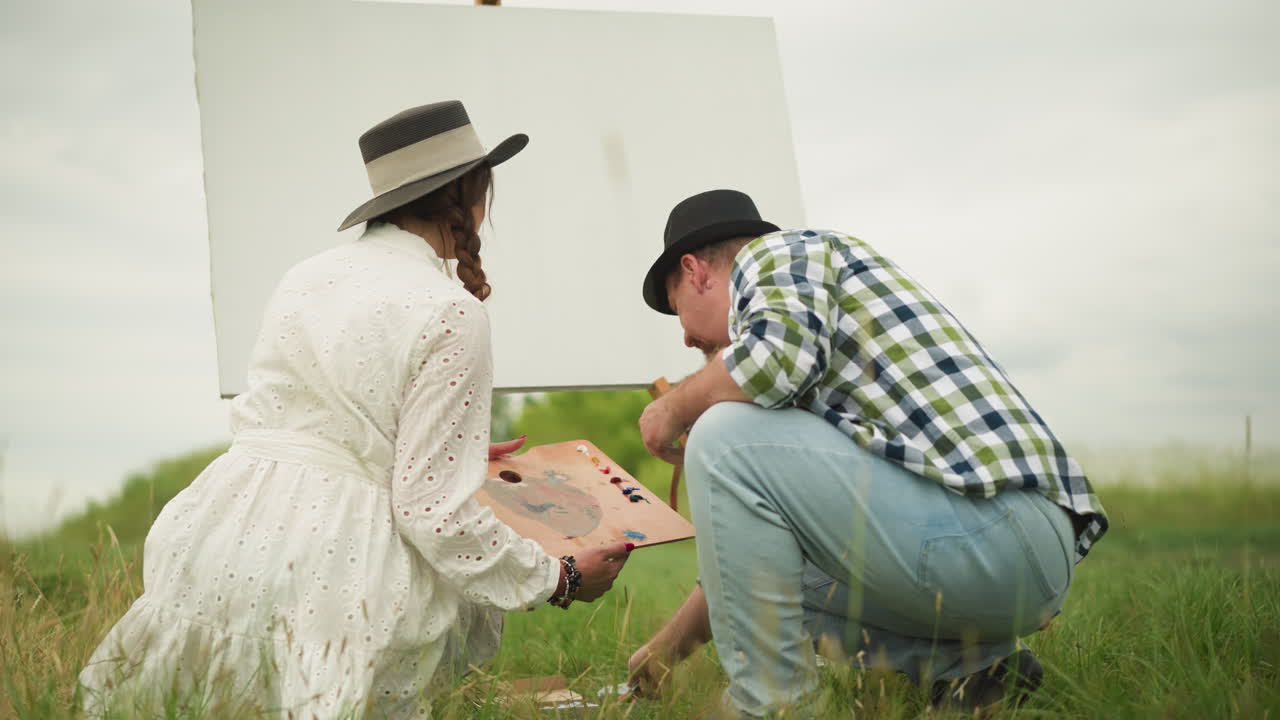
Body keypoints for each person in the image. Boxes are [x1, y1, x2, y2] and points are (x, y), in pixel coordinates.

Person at [79, 101, 632, 718]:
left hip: (223, 538)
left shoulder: (305, 276)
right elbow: (431, 510)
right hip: (338, 569)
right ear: (471, 193)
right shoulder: (452, 311)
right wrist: (559, 577)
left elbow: (330, 422)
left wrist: (455, 448)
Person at [629, 189, 1108, 716]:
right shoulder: (811, 337)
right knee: (749, 494)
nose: (685, 337)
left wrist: (673, 407)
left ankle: (773, 709)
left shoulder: (778, 255)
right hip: (997, 547)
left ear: (696, 271)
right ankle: (977, 671)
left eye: (677, 308)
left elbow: (770, 363)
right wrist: (663, 652)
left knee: (721, 432)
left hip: (995, 531)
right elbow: (746, 563)